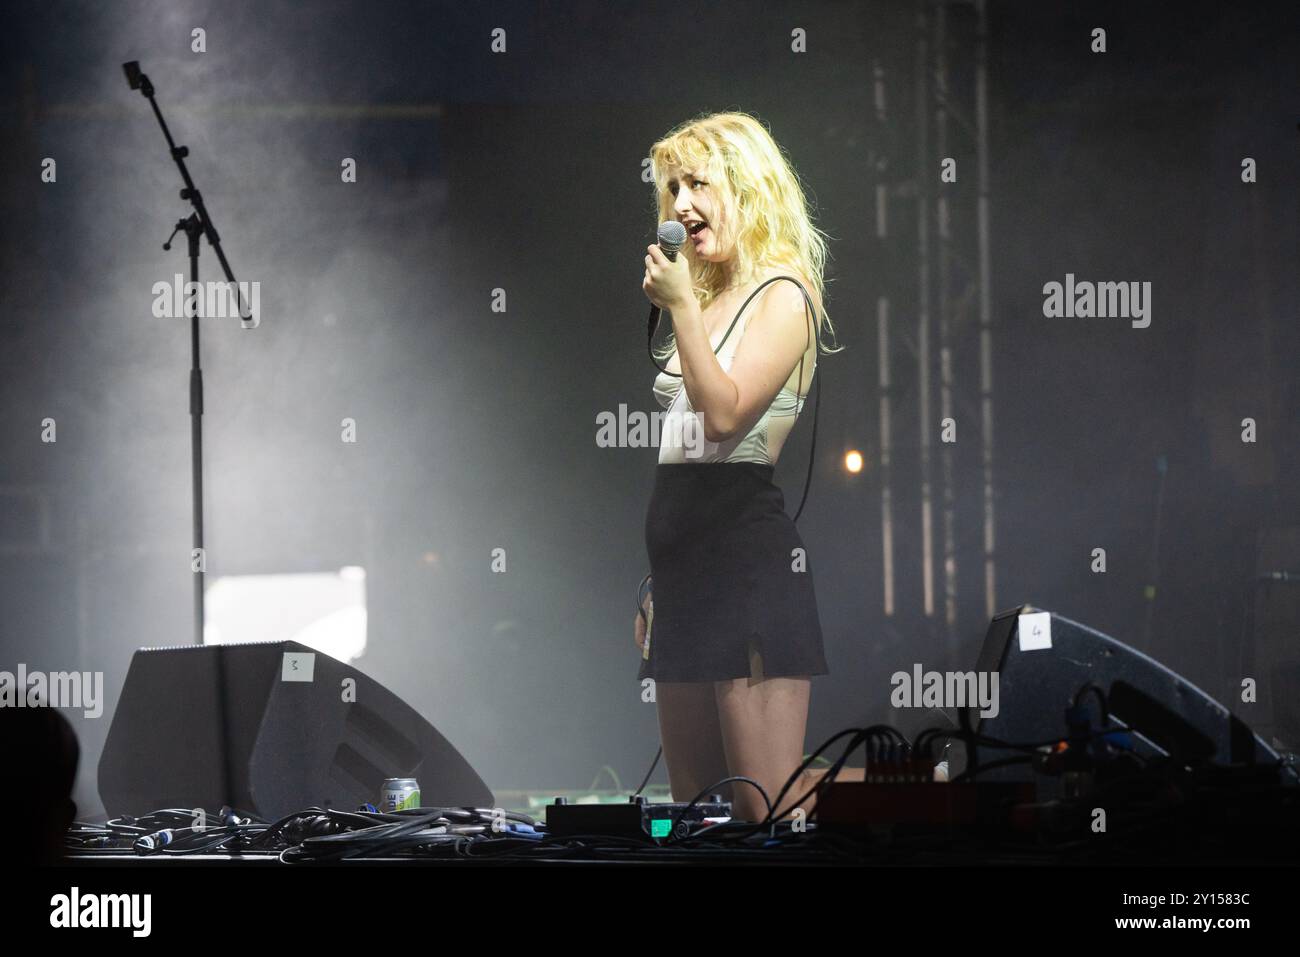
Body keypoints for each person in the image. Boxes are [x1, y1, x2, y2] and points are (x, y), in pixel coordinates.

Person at [635, 111, 845, 823]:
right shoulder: (706, 296)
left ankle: (909, 800)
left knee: (764, 806)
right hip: (681, 573)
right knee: (694, 812)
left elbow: (724, 420)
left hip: (747, 565)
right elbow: (681, 447)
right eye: (672, 189)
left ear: (748, 187)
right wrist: (654, 578)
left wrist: (682, 308)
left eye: (698, 183)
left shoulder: (784, 294)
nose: (681, 204)